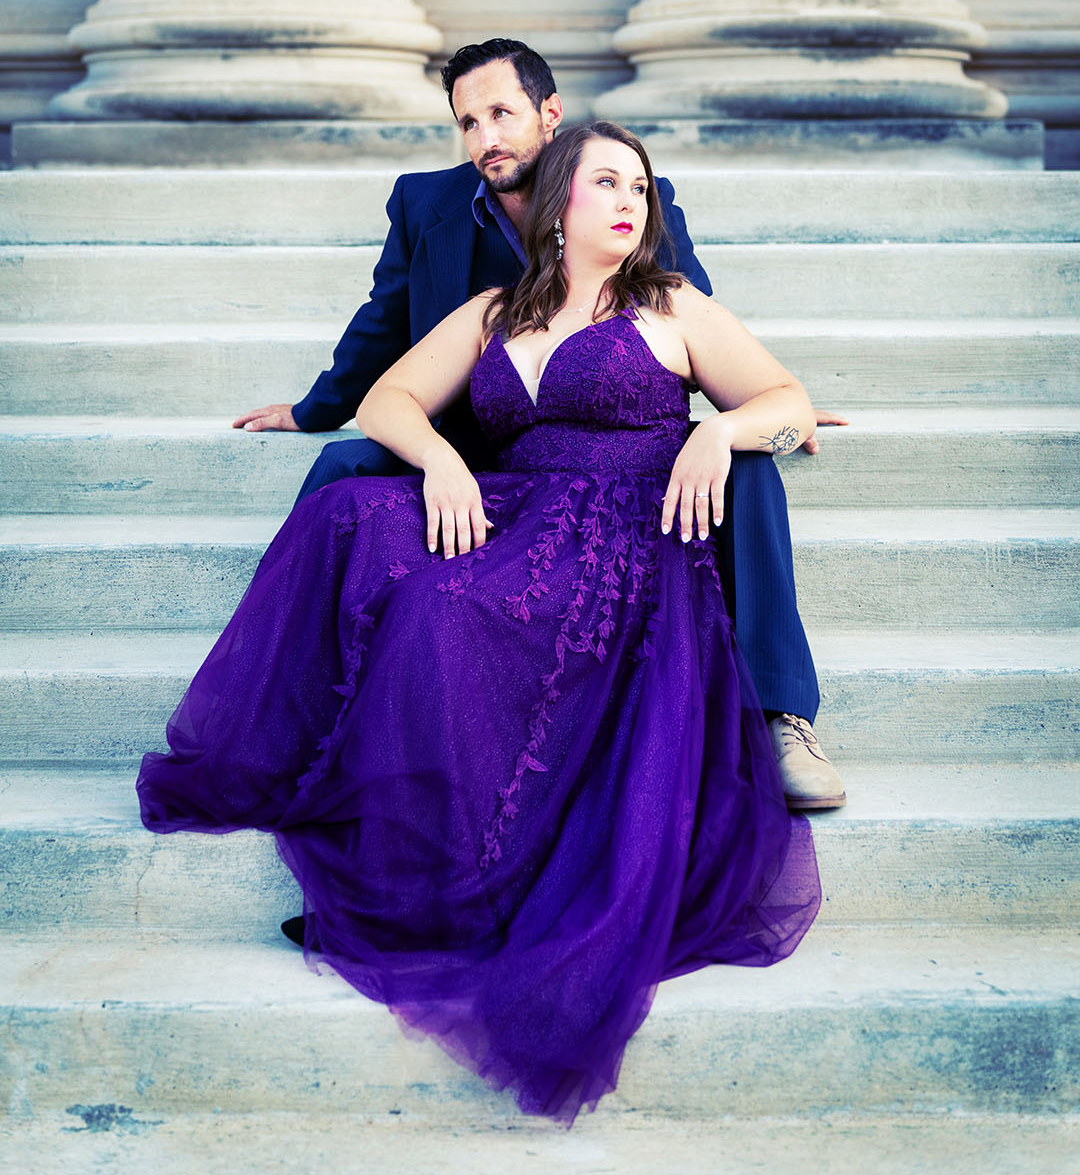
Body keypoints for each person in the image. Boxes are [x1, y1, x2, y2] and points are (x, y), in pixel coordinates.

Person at [139, 121, 822, 1124]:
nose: (630, 202)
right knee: (352, 523)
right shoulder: (496, 311)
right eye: (607, 182)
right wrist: (444, 461)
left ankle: (453, 886)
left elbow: (787, 397)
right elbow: (388, 401)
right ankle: (399, 853)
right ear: (560, 201)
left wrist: (722, 428)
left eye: (639, 187)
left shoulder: (670, 304)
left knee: (447, 615)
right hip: (516, 513)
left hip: (630, 539)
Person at [235, 39, 846, 810]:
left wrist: (743, 416)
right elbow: (385, 331)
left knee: (749, 467)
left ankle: (780, 714)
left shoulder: (649, 261)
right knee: (341, 481)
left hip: (629, 475)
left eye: (501, 113)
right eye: (468, 121)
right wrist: (332, 417)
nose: (485, 136)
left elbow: (705, 329)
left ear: (548, 115)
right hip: (487, 454)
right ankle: (297, 699)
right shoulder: (449, 235)